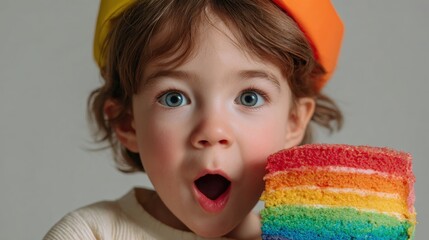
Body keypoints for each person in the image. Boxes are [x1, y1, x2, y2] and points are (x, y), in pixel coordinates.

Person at [44, 0, 343, 239]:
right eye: (174, 98)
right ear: (127, 122)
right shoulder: (90, 234)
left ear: (293, 122)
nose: (212, 131)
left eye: (249, 97)